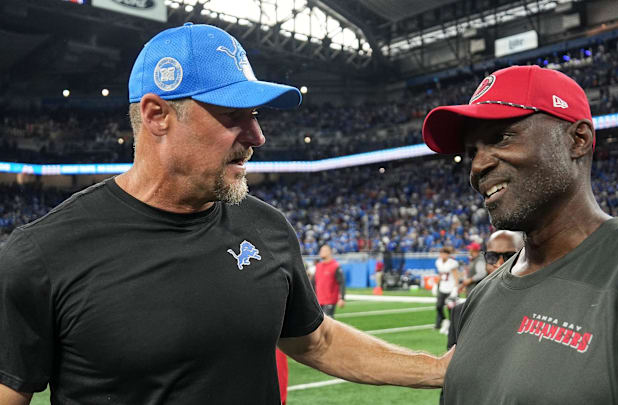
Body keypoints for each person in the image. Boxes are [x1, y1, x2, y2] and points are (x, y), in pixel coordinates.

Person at [0, 23, 453, 405]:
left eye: (255, 115)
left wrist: (438, 370)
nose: (257, 135)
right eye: (234, 114)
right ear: (157, 115)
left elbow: (317, 340)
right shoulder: (43, 254)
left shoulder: (267, 229)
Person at [422, 65, 618, 404]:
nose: (476, 167)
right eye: (472, 151)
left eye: (500, 137)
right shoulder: (481, 297)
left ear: (578, 140)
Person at [442, 230, 522, 404]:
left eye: (509, 255)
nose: (500, 263)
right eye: (492, 257)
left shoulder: (540, 310)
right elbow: (450, 378)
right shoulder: (460, 312)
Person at [312, 244, 346, 318]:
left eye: (323, 250)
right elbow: (312, 283)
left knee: (327, 325)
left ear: (329, 252)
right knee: (319, 325)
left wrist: (342, 298)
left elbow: (342, 283)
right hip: (318, 301)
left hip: (330, 301)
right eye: (320, 250)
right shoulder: (318, 266)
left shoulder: (335, 266)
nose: (320, 252)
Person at [434, 246, 459, 331]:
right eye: (441, 253)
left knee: (451, 309)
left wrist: (455, 288)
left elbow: (456, 277)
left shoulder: (452, 263)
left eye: (444, 254)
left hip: (451, 288)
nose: (442, 255)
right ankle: (444, 320)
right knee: (438, 306)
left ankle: (452, 326)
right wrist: (436, 284)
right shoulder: (438, 262)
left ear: (448, 255)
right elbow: (441, 274)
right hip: (442, 287)